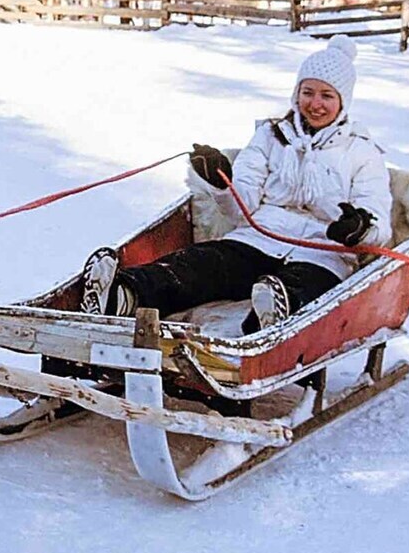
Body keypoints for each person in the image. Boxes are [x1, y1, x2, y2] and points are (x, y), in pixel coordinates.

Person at [78, 36, 393, 334]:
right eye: (308, 92)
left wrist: (358, 229)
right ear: (296, 93)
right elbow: (241, 207)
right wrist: (220, 183)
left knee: (306, 285)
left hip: (322, 251)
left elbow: (378, 222)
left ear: (343, 102)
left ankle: (271, 313)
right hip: (259, 237)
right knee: (201, 264)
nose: (315, 104)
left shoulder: (362, 152)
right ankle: (124, 293)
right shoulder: (270, 137)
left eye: (327, 95)